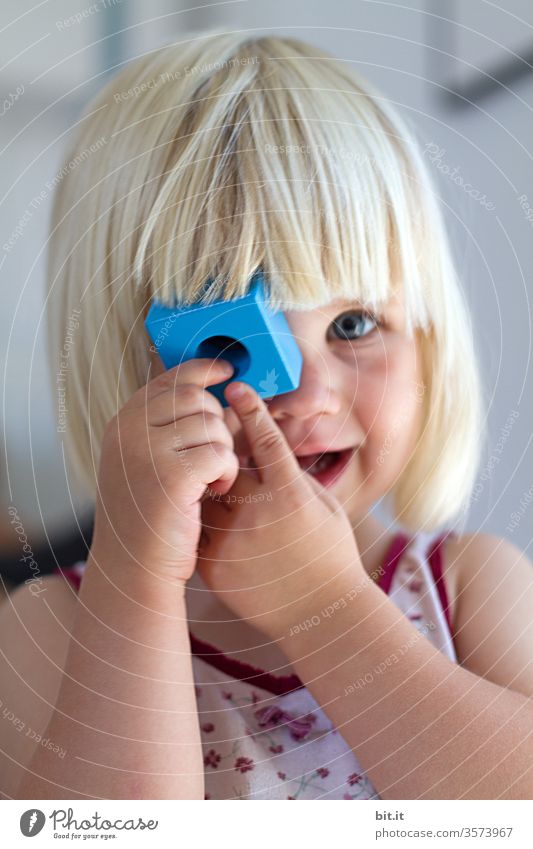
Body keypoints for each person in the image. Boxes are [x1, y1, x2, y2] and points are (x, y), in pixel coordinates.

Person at [1, 31, 532, 801]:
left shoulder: (466, 587)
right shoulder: (56, 624)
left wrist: (325, 609)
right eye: (229, 341)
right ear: (114, 369)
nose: (306, 393)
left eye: (352, 324)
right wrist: (136, 580)